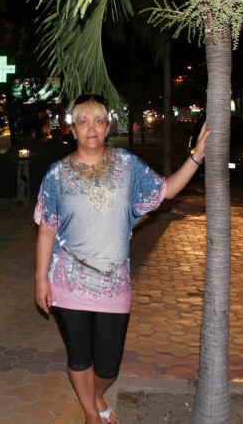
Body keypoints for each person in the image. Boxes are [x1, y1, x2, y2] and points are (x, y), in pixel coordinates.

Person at [34, 93, 209, 424]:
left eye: (98, 121)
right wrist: (40, 279)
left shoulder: (127, 165)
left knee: (108, 366)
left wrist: (197, 155)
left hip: (114, 283)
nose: (91, 128)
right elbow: (46, 229)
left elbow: (167, 190)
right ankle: (91, 412)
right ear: (73, 128)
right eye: (83, 121)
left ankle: (96, 393)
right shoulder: (57, 174)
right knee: (79, 356)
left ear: (107, 127)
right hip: (67, 279)